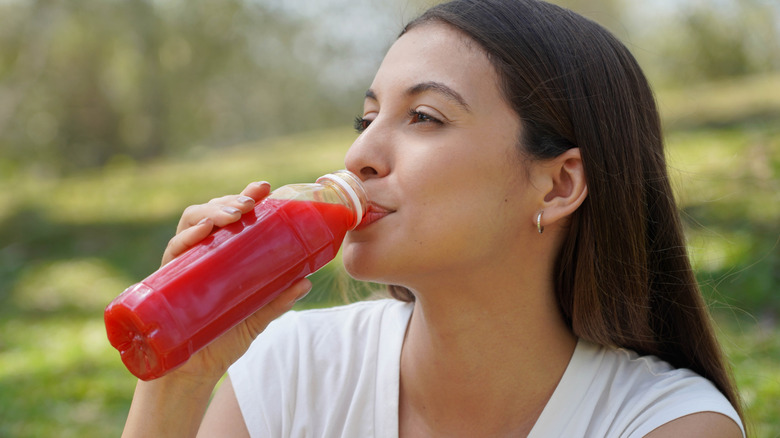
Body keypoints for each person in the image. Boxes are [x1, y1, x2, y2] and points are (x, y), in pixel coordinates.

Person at [121, 0, 746, 436]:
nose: (358, 156)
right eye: (367, 120)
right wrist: (177, 379)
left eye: (424, 117)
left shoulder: (663, 424)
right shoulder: (292, 369)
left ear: (557, 185)